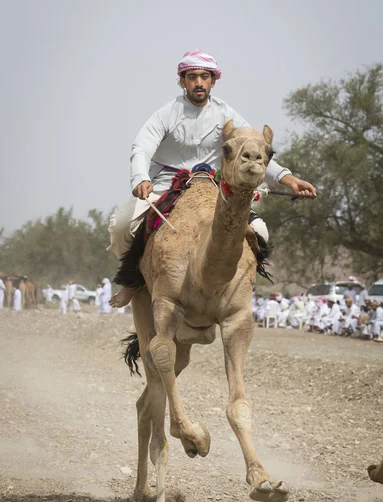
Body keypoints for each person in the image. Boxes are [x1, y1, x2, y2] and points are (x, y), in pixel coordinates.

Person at [108, 48, 317, 308]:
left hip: (213, 186)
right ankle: (133, 280)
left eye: (204, 76)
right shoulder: (166, 113)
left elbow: (253, 151)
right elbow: (141, 148)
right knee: (121, 226)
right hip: (166, 184)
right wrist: (140, 177)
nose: (198, 82)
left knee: (260, 231)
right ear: (182, 81)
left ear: (213, 81)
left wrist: (289, 179)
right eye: (192, 76)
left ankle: (244, 284)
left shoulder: (226, 114)